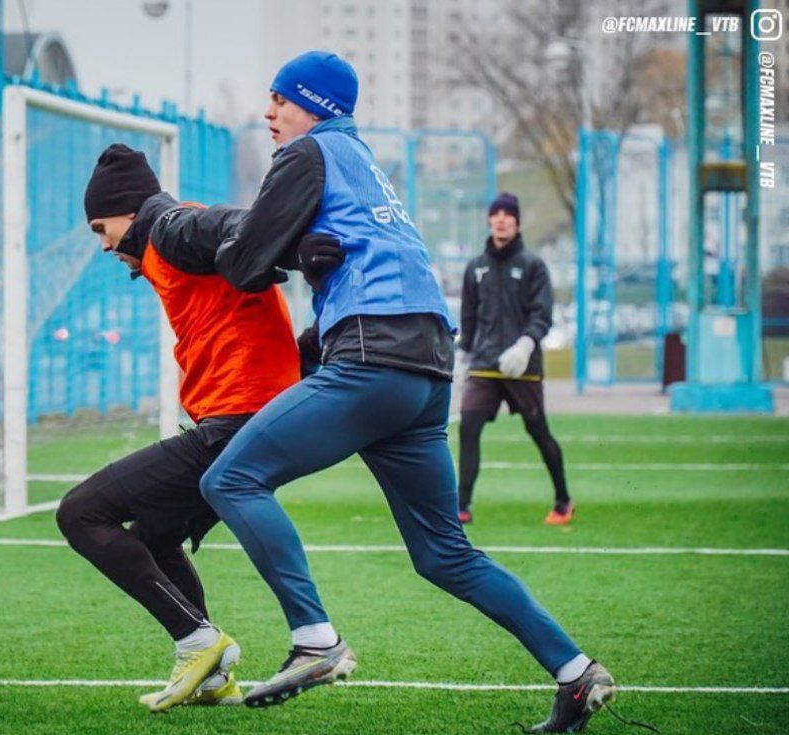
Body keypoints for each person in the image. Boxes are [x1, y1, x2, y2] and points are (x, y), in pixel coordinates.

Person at [199, 51, 617, 731]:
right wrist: (304, 255)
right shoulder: (364, 164)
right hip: (426, 371)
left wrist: (283, 251)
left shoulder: (308, 154)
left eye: (279, 99)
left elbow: (245, 264)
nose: (268, 112)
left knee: (232, 480)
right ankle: (576, 673)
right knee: (444, 554)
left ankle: (316, 639)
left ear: (314, 104)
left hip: (375, 360)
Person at [54, 144, 303, 712]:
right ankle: (212, 677)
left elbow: (235, 223)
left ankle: (199, 641)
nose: (104, 245)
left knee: (79, 513)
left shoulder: (169, 227)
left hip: (240, 421)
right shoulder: (167, 242)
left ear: (127, 211)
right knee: (152, 537)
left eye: (101, 227)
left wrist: (296, 242)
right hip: (252, 419)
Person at [455, 192, 573, 526]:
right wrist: (463, 357)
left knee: (538, 431)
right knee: (468, 427)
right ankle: (461, 506)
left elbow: (542, 315)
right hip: (484, 365)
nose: (502, 219)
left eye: (508, 214)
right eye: (496, 214)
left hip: (523, 367)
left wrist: (524, 346)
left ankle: (563, 500)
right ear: (489, 220)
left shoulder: (533, 266)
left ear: (517, 222)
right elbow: (469, 318)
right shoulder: (475, 267)